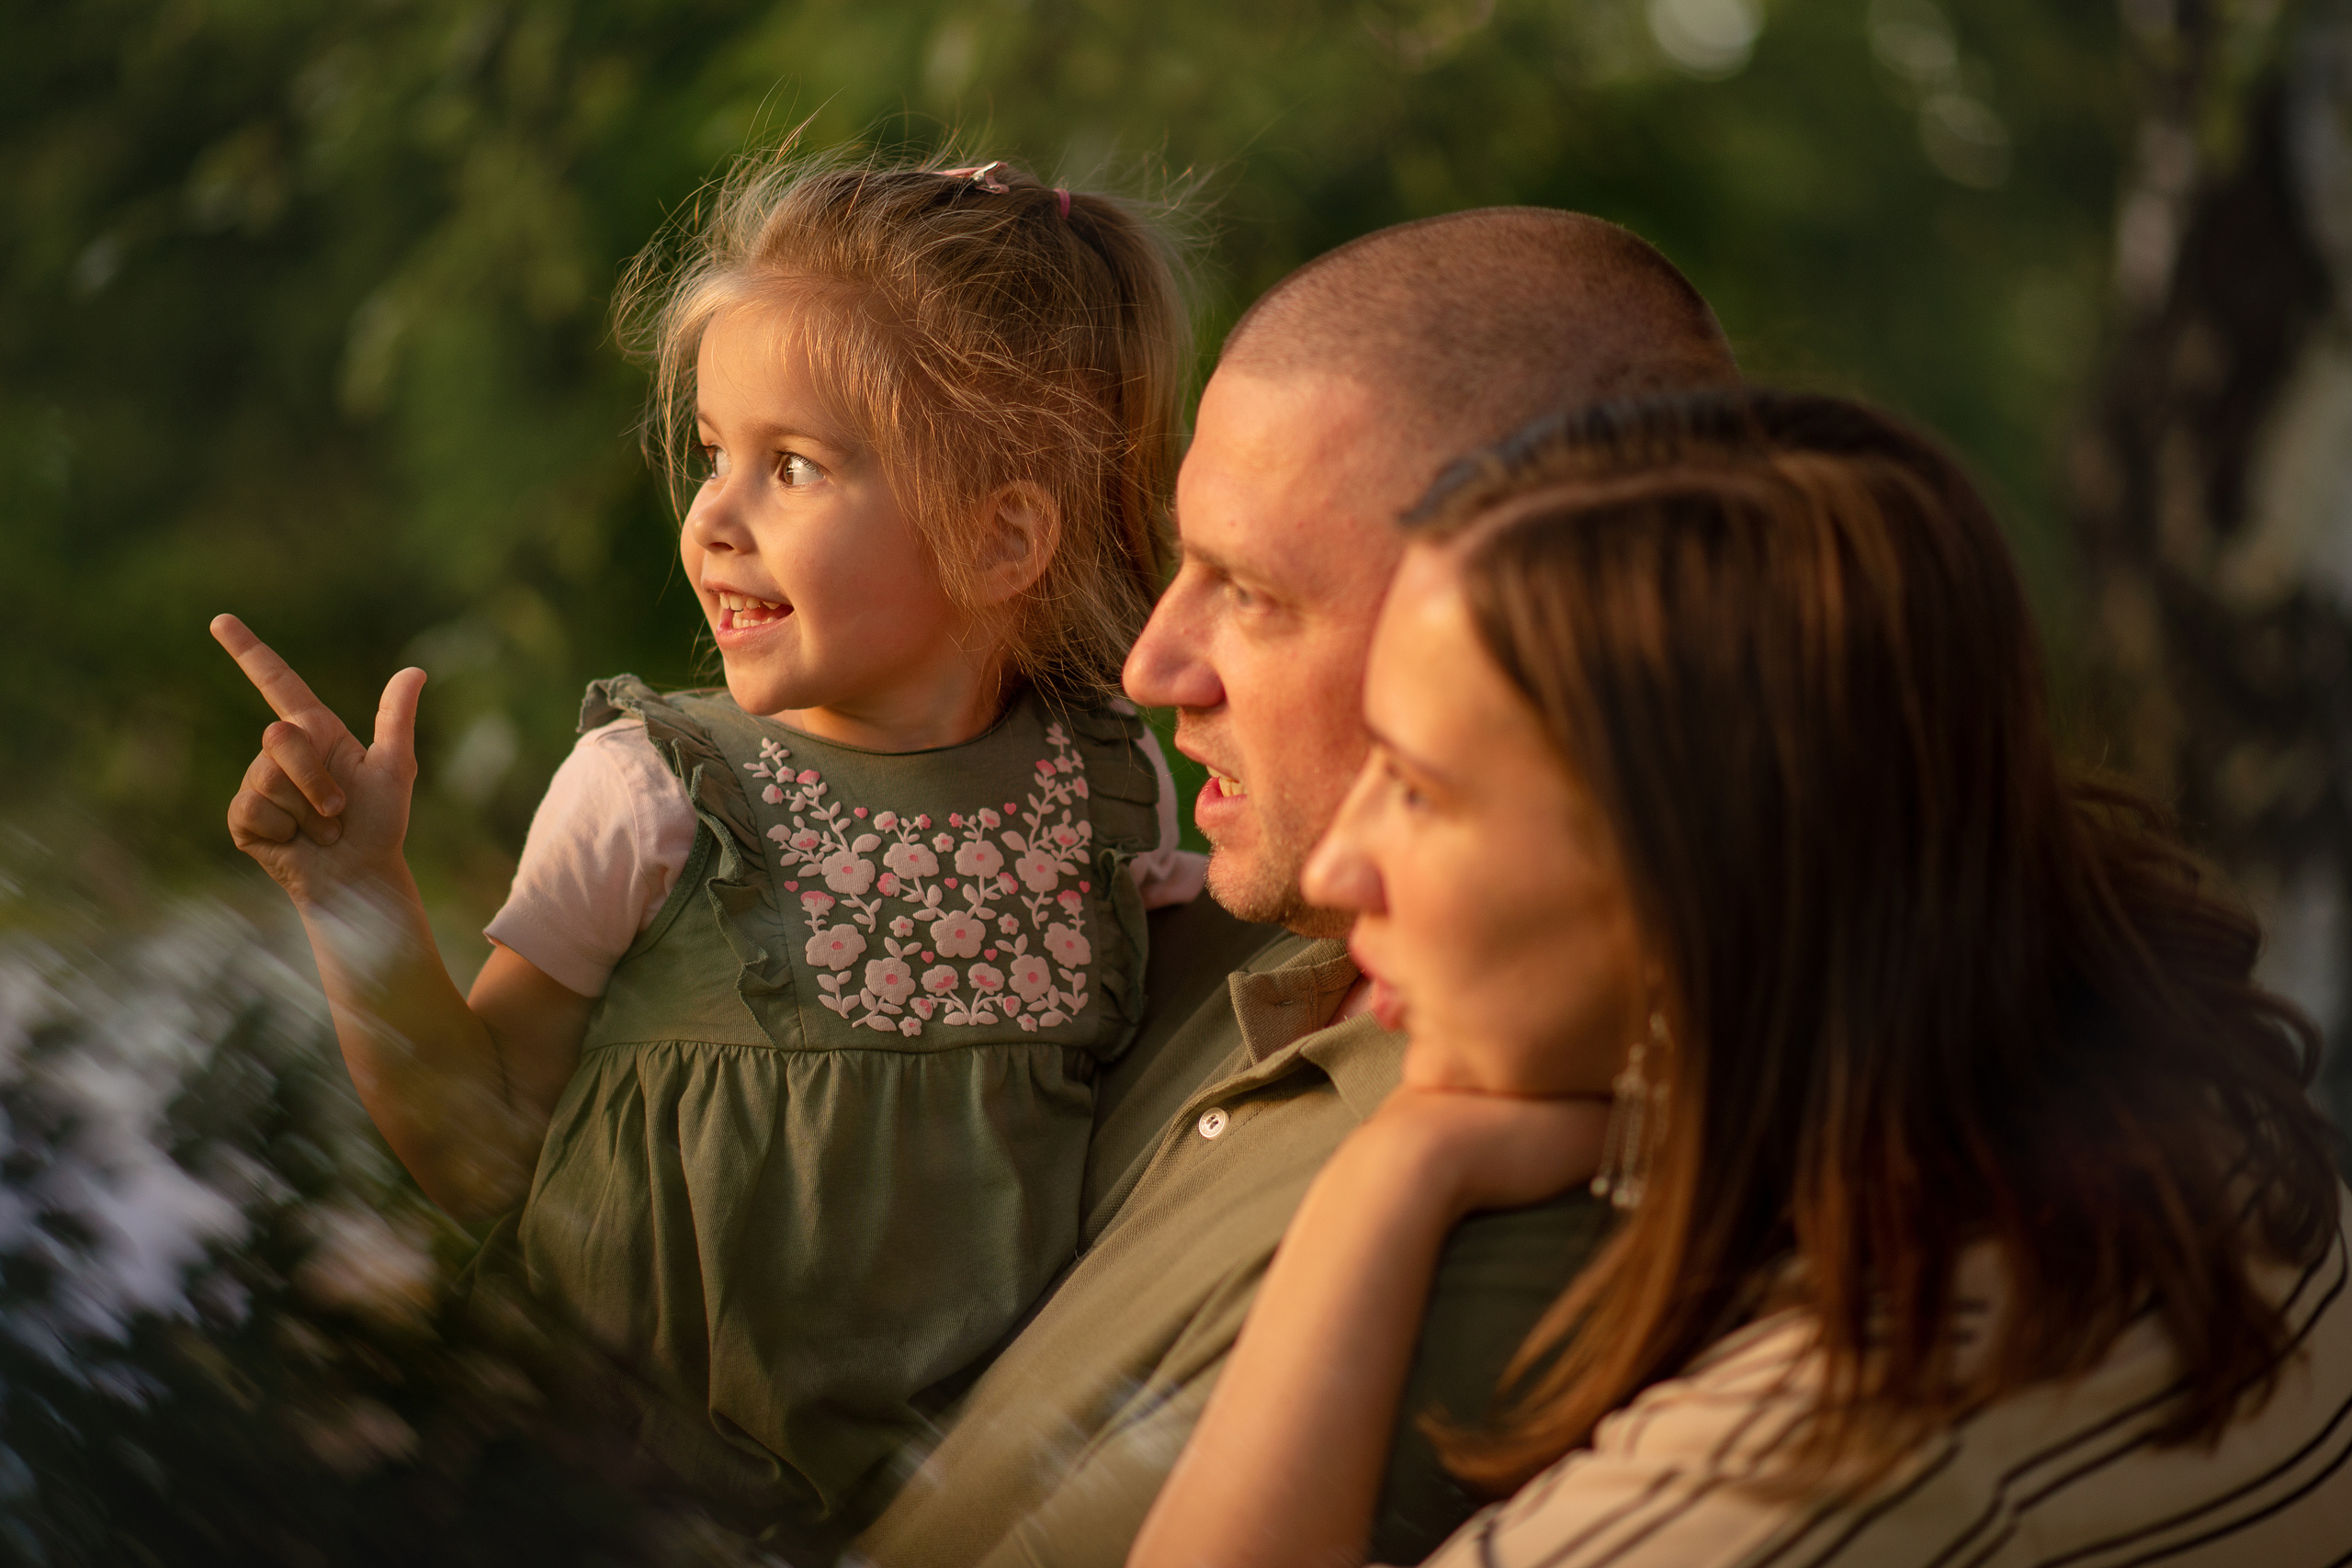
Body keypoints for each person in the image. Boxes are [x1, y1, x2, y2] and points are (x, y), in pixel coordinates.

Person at [1130, 387, 2352, 1568]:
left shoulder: (1810, 1461)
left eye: (1421, 788)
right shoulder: (2173, 1115)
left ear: (1701, 882)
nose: (1344, 868)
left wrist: (1384, 1179)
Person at [209, 149, 1207, 1551]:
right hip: (604, 1502)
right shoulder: (651, 795)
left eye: (790, 466)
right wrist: (351, 889)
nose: (713, 518)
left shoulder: (1111, 801)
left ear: (1003, 536)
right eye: (714, 454)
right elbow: (477, 1137)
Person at [849, 209, 1742, 1567]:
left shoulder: (1527, 1216)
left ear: (1532, 640)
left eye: (1253, 594)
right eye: (1182, 563)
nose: (1156, 665)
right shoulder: (1173, 934)